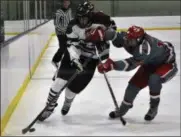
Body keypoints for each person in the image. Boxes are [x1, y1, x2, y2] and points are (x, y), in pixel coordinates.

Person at [38, 2, 117, 121]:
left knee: (73, 89)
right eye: (79, 18)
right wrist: (75, 60)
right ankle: (49, 108)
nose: (82, 21)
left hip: (92, 59)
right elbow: (72, 45)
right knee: (59, 81)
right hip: (75, 55)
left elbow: (114, 33)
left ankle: (68, 102)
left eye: (84, 18)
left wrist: (103, 38)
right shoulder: (73, 25)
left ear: (90, 16)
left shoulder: (103, 19)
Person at [97, 25, 178, 121]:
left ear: (139, 39)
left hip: (166, 64)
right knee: (133, 86)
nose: (128, 42)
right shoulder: (130, 38)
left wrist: (112, 65)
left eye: (132, 40)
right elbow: (115, 36)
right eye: (128, 38)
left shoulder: (144, 49)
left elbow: (130, 64)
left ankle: (153, 108)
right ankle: (123, 109)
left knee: (154, 79)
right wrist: (102, 35)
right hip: (150, 63)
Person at [52, 0, 72, 70]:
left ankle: (67, 62)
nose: (66, 3)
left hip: (67, 33)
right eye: (65, 2)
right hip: (60, 33)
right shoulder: (59, 12)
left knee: (69, 47)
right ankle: (55, 60)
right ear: (62, 3)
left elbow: (69, 21)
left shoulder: (69, 10)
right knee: (63, 47)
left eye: (67, 2)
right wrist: (65, 30)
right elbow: (56, 24)